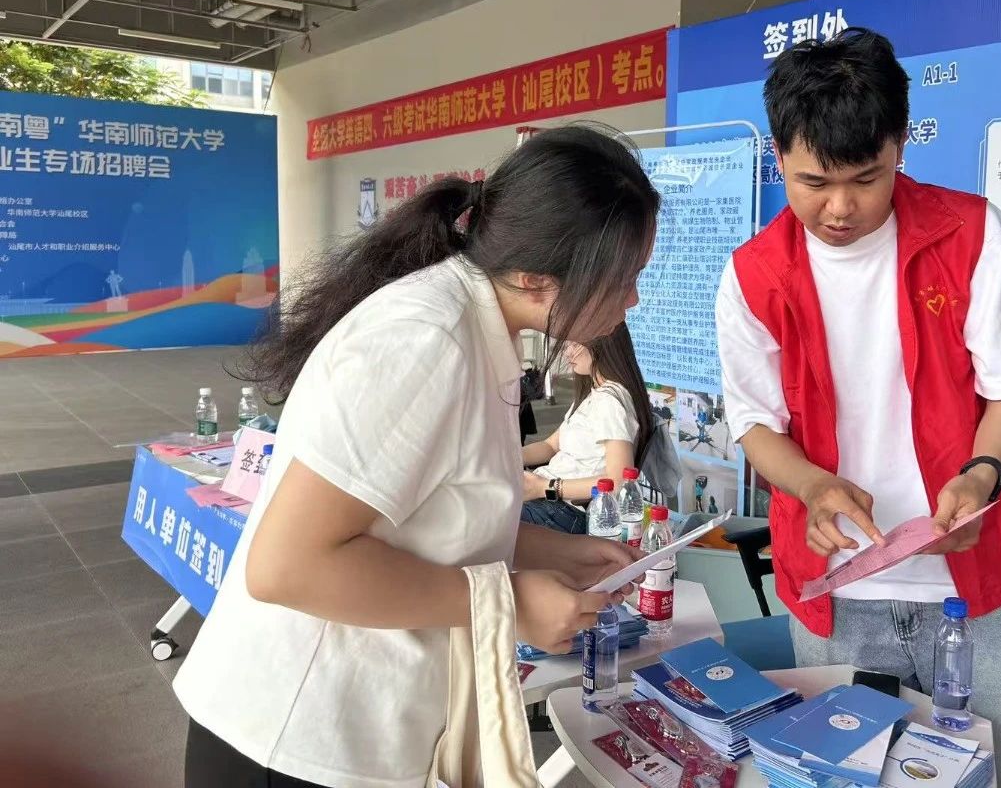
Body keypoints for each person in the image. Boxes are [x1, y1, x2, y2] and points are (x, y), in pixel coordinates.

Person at [174, 125, 661, 788]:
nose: (632, 300)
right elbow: (287, 565)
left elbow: (428, 515)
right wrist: (509, 602)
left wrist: (558, 552)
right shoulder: (425, 341)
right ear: (533, 277)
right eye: (623, 278)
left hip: (352, 732)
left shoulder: (475, 326)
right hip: (291, 738)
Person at [716, 28, 1001, 787]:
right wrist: (811, 485)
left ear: (901, 145)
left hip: (978, 586)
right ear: (778, 156)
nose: (839, 207)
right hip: (838, 592)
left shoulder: (971, 235)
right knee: (844, 776)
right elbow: (755, 423)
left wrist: (981, 473)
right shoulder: (753, 276)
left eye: (866, 178)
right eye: (813, 182)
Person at [520, 324, 653, 533]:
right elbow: (550, 446)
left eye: (575, 344)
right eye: (567, 345)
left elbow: (617, 481)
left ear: (602, 344)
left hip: (565, 511)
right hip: (551, 501)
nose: (568, 353)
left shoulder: (610, 402)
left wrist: (543, 487)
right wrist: (507, 458)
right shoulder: (594, 394)